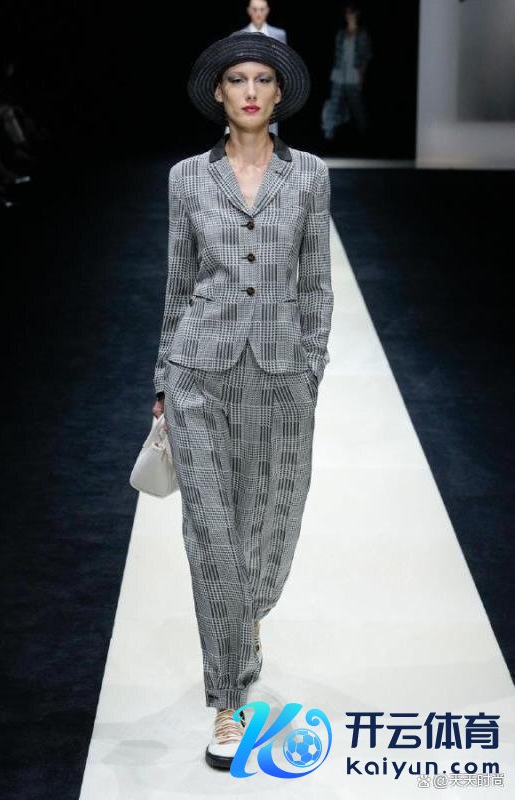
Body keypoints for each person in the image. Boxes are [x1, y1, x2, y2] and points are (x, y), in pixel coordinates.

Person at [151, 31, 333, 770]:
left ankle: (245, 621)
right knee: (212, 539)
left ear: (279, 94)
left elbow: (316, 282)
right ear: (218, 94)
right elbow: (177, 281)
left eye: (262, 79)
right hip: (198, 372)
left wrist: (311, 370)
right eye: (237, 80)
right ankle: (228, 698)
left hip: (283, 377)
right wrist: (161, 383)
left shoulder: (310, 175)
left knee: (271, 531)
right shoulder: (186, 178)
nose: (251, 91)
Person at [232, 0, 288, 136]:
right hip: (246, 88)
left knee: (270, 121)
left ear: (267, 10)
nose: (258, 13)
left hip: (269, 86)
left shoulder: (279, 34)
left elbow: (284, 63)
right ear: (249, 11)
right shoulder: (239, 35)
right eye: (255, 9)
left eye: (262, 9)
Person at [321, 1, 373, 146]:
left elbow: (366, 56)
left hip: (354, 73)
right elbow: (337, 55)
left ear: (357, 14)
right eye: (347, 13)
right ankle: (328, 134)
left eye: (352, 13)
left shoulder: (362, 34)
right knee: (334, 103)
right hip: (339, 72)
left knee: (356, 105)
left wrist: (362, 75)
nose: (349, 16)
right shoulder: (341, 34)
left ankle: (365, 135)